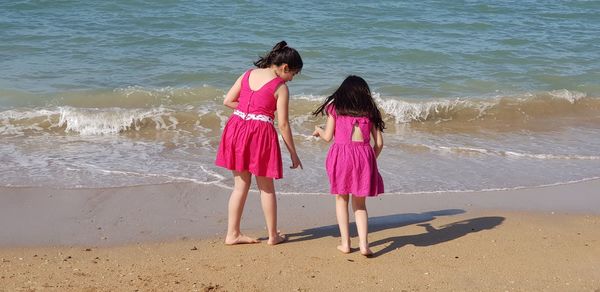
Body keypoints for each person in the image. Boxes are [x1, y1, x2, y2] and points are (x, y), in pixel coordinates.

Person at [215, 41, 303, 245]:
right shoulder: (280, 88)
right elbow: (283, 124)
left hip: (236, 127)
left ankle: (232, 234)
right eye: (293, 74)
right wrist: (293, 153)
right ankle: (273, 236)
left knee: (240, 186)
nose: (291, 79)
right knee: (266, 188)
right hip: (260, 133)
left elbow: (228, 101)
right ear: (284, 68)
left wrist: (249, 110)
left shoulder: (247, 74)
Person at [312, 75, 385, 256]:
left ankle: (345, 244)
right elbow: (380, 143)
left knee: (341, 199)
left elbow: (328, 137)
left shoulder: (335, 109)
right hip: (364, 157)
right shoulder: (370, 111)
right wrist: (370, 160)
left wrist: (319, 131)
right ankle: (364, 245)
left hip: (342, 157)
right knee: (360, 205)